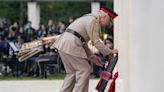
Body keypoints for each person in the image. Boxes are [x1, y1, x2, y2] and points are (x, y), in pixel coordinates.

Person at [51, 7, 118, 92]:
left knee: (71, 74)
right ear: (105, 17)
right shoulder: (94, 21)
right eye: (108, 22)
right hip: (71, 44)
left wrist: (92, 56)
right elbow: (96, 42)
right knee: (84, 70)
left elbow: (82, 40)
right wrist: (110, 51)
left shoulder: (88, 17)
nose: (105, 25)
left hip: (64, 44)